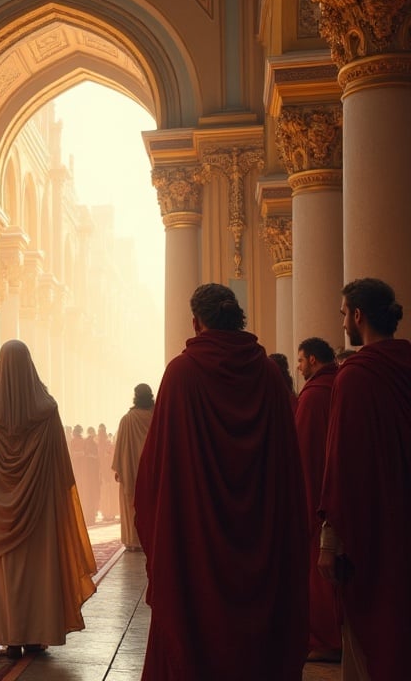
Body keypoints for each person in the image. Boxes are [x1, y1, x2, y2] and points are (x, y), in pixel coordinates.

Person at [135, 284, 307, 679]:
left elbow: (156, 472)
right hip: (261, 537)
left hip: (197, 541)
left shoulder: (181, 373)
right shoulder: (266, 373)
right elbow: (287, 463)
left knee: (198, 633)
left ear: (197, 322)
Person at [0, 340, 95, 659]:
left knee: (0, 571)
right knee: (36, 570)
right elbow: (60, 464)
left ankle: (3, 631)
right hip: (38, 510)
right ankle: (34, 634)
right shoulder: (46, 410)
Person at [318, 278, 411, 680]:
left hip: (372, 527)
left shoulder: (355, 376)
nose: (342, 323)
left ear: (358, 316)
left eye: (343, 314)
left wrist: (329, 542)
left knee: (368, 641)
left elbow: (342, 462)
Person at [293, 336, 342, 662]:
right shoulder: (342, 385)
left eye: (301, 360)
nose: (298, 366)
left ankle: (326, 639)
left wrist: (303, 507)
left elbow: (304, 455)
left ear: (312, 360)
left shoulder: (312, 397)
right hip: (344, 492)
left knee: (319, 574)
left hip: (318, 499)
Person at [110, 384, 153, 551]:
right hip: (152, 469)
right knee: (151, 504)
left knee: (131, 505)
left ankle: (133, 541)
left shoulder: (127, 420)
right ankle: (151, 538)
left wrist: (120, 469)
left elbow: (120, 447)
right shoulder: (157, 415)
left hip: (131, 470)